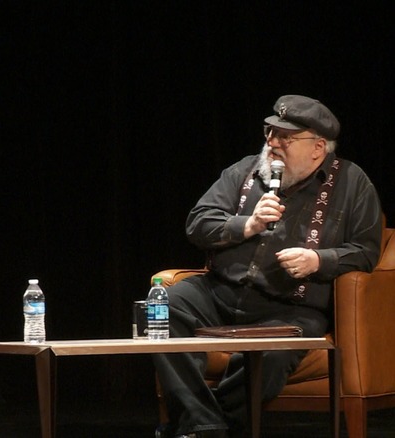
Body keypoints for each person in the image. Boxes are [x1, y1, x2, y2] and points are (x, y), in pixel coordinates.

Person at [153, 95, 382, 438]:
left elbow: (366, 251)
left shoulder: (353, 184)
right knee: (163, 308)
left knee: (274, 352)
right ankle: (205, 426)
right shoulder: (243, 170)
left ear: (318, 147)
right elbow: (197, 223)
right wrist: (246, 225)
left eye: (285, 137)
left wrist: (319, 260)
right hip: (219, 291)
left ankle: (203, 426)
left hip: (290, 308)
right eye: (270, 132)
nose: (272, 143)